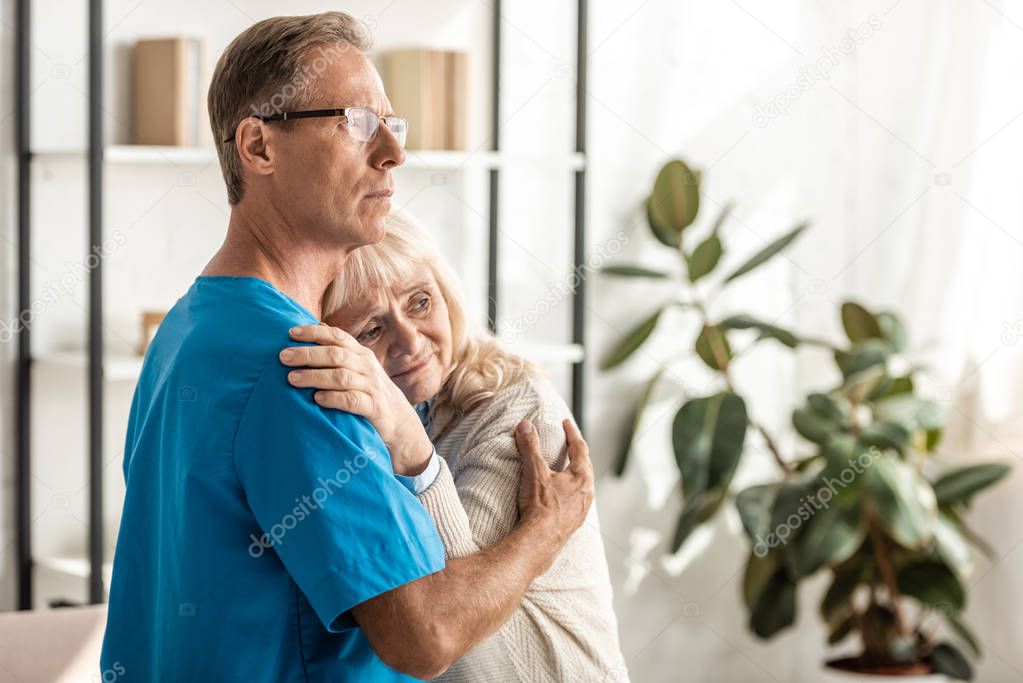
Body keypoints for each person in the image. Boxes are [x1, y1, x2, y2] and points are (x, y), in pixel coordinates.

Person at [100, 12, 593, 681]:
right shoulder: (304, 365)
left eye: (394, 124)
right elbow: (425, 633)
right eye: (357, 121)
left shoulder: (185, 330)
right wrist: (546, 529)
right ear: (259, 147)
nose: (394, 152)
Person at [279, 210, 628, 681]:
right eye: (372, 330)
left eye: (420, 303)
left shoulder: (520, 408)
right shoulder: (357, 427)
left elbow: (453, 620)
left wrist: (410, 443)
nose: (409, 341)